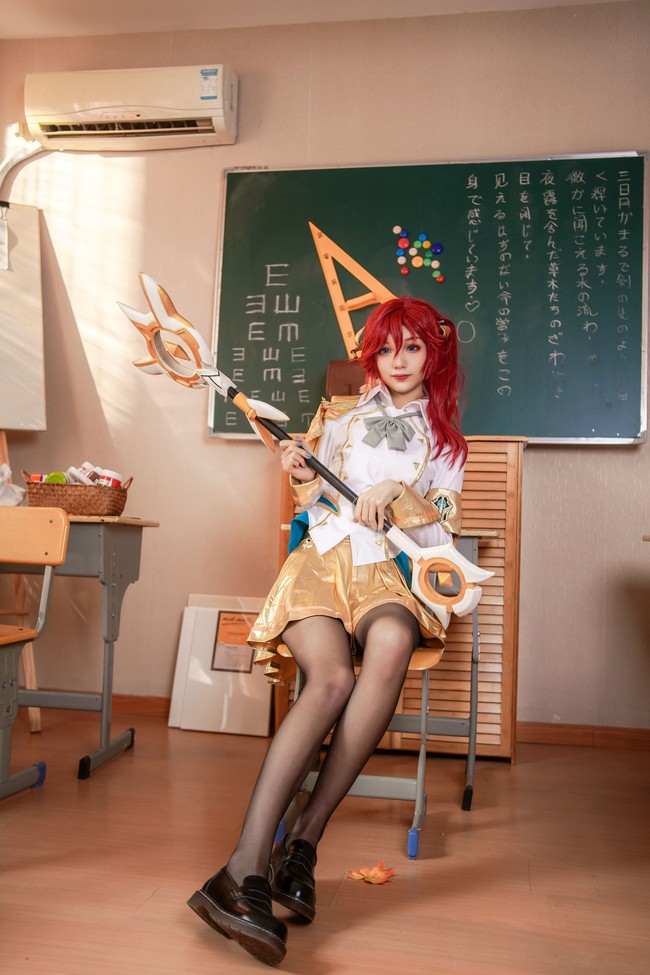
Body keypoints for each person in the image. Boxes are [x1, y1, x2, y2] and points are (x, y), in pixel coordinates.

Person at [188, 296, 468, 966]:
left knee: (392, 642)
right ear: (373, 355)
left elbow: (441, 532)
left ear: (434, 354)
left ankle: (303, 842)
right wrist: (301, 476)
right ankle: (243, 869)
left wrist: (398, 496)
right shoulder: (337, 417)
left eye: (413, 347)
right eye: (387, 348)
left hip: (387, 577)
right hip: (320, 565)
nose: (398, 360)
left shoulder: (447, 444)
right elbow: (312, 505)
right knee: (332, 680)